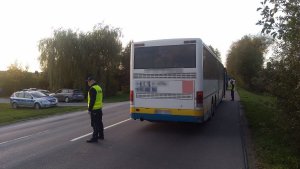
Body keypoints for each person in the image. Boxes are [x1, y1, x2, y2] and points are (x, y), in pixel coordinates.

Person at [86, 76, 104, 143]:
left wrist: (89, 109)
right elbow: (100, 98)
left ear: (91, 81)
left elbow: (92, 101)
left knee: (95, 124)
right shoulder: (99, 88)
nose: (88, 83)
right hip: (99, 109)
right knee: (99, 123)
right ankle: (101, 135)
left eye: (88, 81)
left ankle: (95, 138)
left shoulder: (92, 89)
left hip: (94, 110)